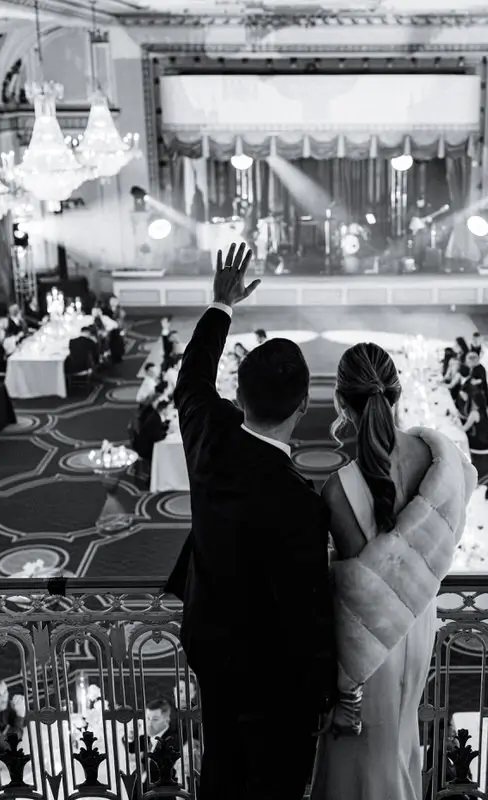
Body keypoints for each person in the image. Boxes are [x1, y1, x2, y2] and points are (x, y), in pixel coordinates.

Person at [164, 243, 335, 800]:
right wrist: (324, 693)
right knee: (272, 782)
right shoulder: (303, 503)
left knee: (220, 766)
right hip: (273, 680)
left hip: (212, 646)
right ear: (305, 405)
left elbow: (190, 382)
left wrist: (221, 304)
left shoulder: (208, 436)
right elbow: (307, 608)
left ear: (236, 394)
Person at [311, 340, 477, 800]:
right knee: (401, 743)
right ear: (397, 392)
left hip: (369, 645)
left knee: (359, 759)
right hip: (419, 622)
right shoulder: (442, 462)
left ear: (341, 403)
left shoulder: (338, 488)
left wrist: (341, 688)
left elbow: (356, 594)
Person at [461, 389, 488, 456]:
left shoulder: (474, 413)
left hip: (480, 444)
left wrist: (454, 424)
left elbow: (464, 429)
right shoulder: (487, 410)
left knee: (461, 440)